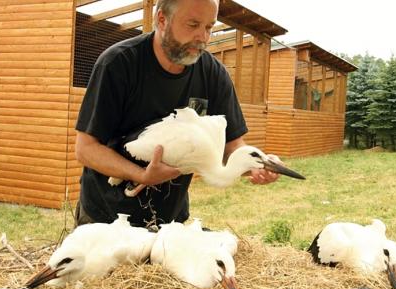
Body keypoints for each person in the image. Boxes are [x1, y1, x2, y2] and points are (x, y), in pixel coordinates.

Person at [74, 0, 280, 228]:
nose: (203, 37)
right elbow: (86, 148)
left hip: (168, 224)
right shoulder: (118, 64)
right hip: (105, 218)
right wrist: (141, 175)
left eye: (209, 27)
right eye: (193, 24)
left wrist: (258, 163)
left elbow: (232, 147)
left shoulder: (214, 74)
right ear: (162, 19)